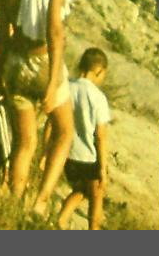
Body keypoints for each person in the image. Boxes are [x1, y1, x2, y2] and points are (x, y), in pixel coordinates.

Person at [0, 0, 75, 211]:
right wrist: (52, 86)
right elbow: (55, 34)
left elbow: (1, 39)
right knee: (64, 132)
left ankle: (14, 202)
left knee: (24, 144)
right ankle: (40, 201)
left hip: (14, 65)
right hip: (43, 64)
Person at [57, 48, 112, 231]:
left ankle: (62, 219)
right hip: (89, 157)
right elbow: (101, 136)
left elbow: (54, 121)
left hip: (68, 154)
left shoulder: (67, 87)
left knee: (81, 190)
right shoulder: (98, 97)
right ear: (99, 71)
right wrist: (103, 168)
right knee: (96, 197)